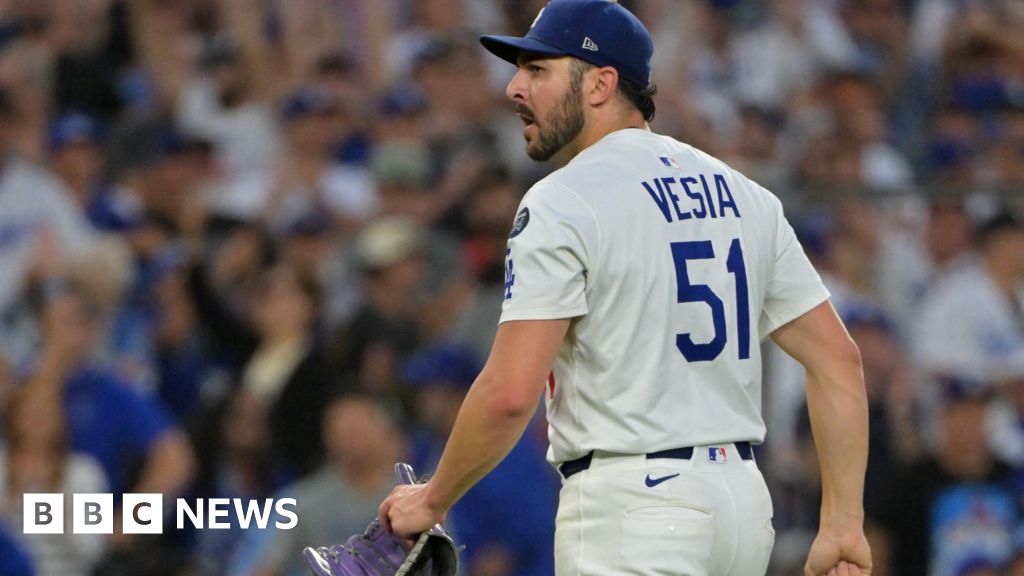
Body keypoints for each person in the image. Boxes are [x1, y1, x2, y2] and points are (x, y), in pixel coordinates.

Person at [322, 2, 872, 575]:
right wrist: (842, 523)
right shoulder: (746, 196)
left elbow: (510, 395)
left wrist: (433, 498)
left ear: (601, 84)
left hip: (634, 507)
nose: (514, 88)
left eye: (538, 70)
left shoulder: (564, 200)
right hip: (741, 510)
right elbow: (838, 361)